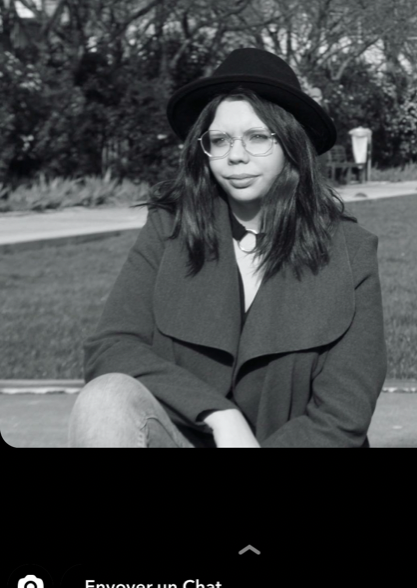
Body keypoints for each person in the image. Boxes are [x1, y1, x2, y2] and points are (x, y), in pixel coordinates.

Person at [68, 48, 387, 448]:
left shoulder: (350, 249)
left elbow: (343, 416)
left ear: (292, 144)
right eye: (219, 140)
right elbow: (111, 348)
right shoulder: (169, 229)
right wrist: (218, 415)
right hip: (188, 436)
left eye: (258, 137)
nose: (236, 155)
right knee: (106, 399)